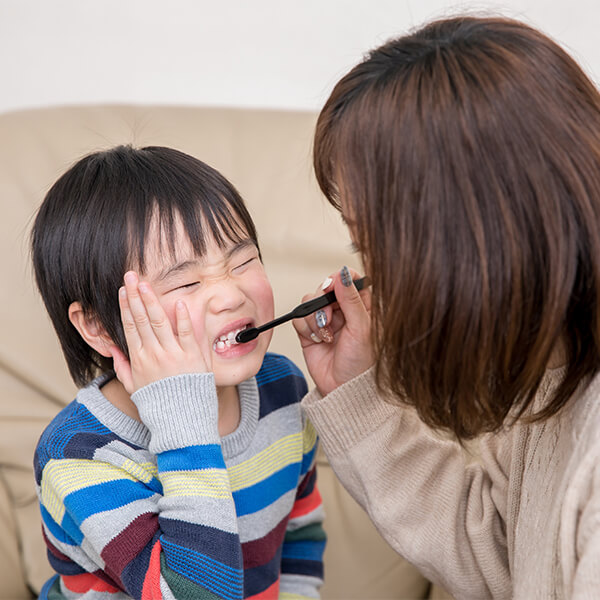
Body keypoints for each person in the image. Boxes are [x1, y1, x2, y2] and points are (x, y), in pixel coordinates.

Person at [293, 15, 600, 599]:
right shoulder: (551, 356)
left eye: (372, 246)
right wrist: (361, 394)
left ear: (469, 235)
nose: (370, 278)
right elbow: (501, 557)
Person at [31, 145, 325, 599]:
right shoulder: (80, 457)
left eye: (242, 261)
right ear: (96, 325)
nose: (229, 294)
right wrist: (186, 425)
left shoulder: (283, 389)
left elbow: (300, 537)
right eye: (186, 282)